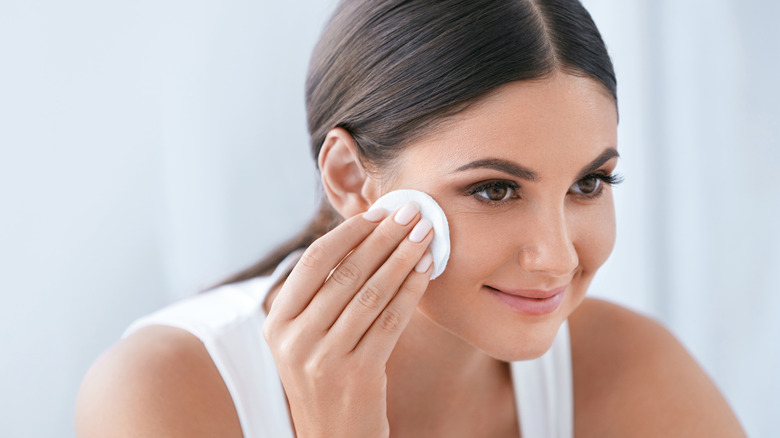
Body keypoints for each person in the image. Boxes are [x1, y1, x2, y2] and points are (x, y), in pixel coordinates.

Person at [76, 0, 746, 436]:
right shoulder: (160, 395)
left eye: (589, 183)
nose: (558, 256)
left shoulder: (625, 367)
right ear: (348, 176)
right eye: (494, 190)